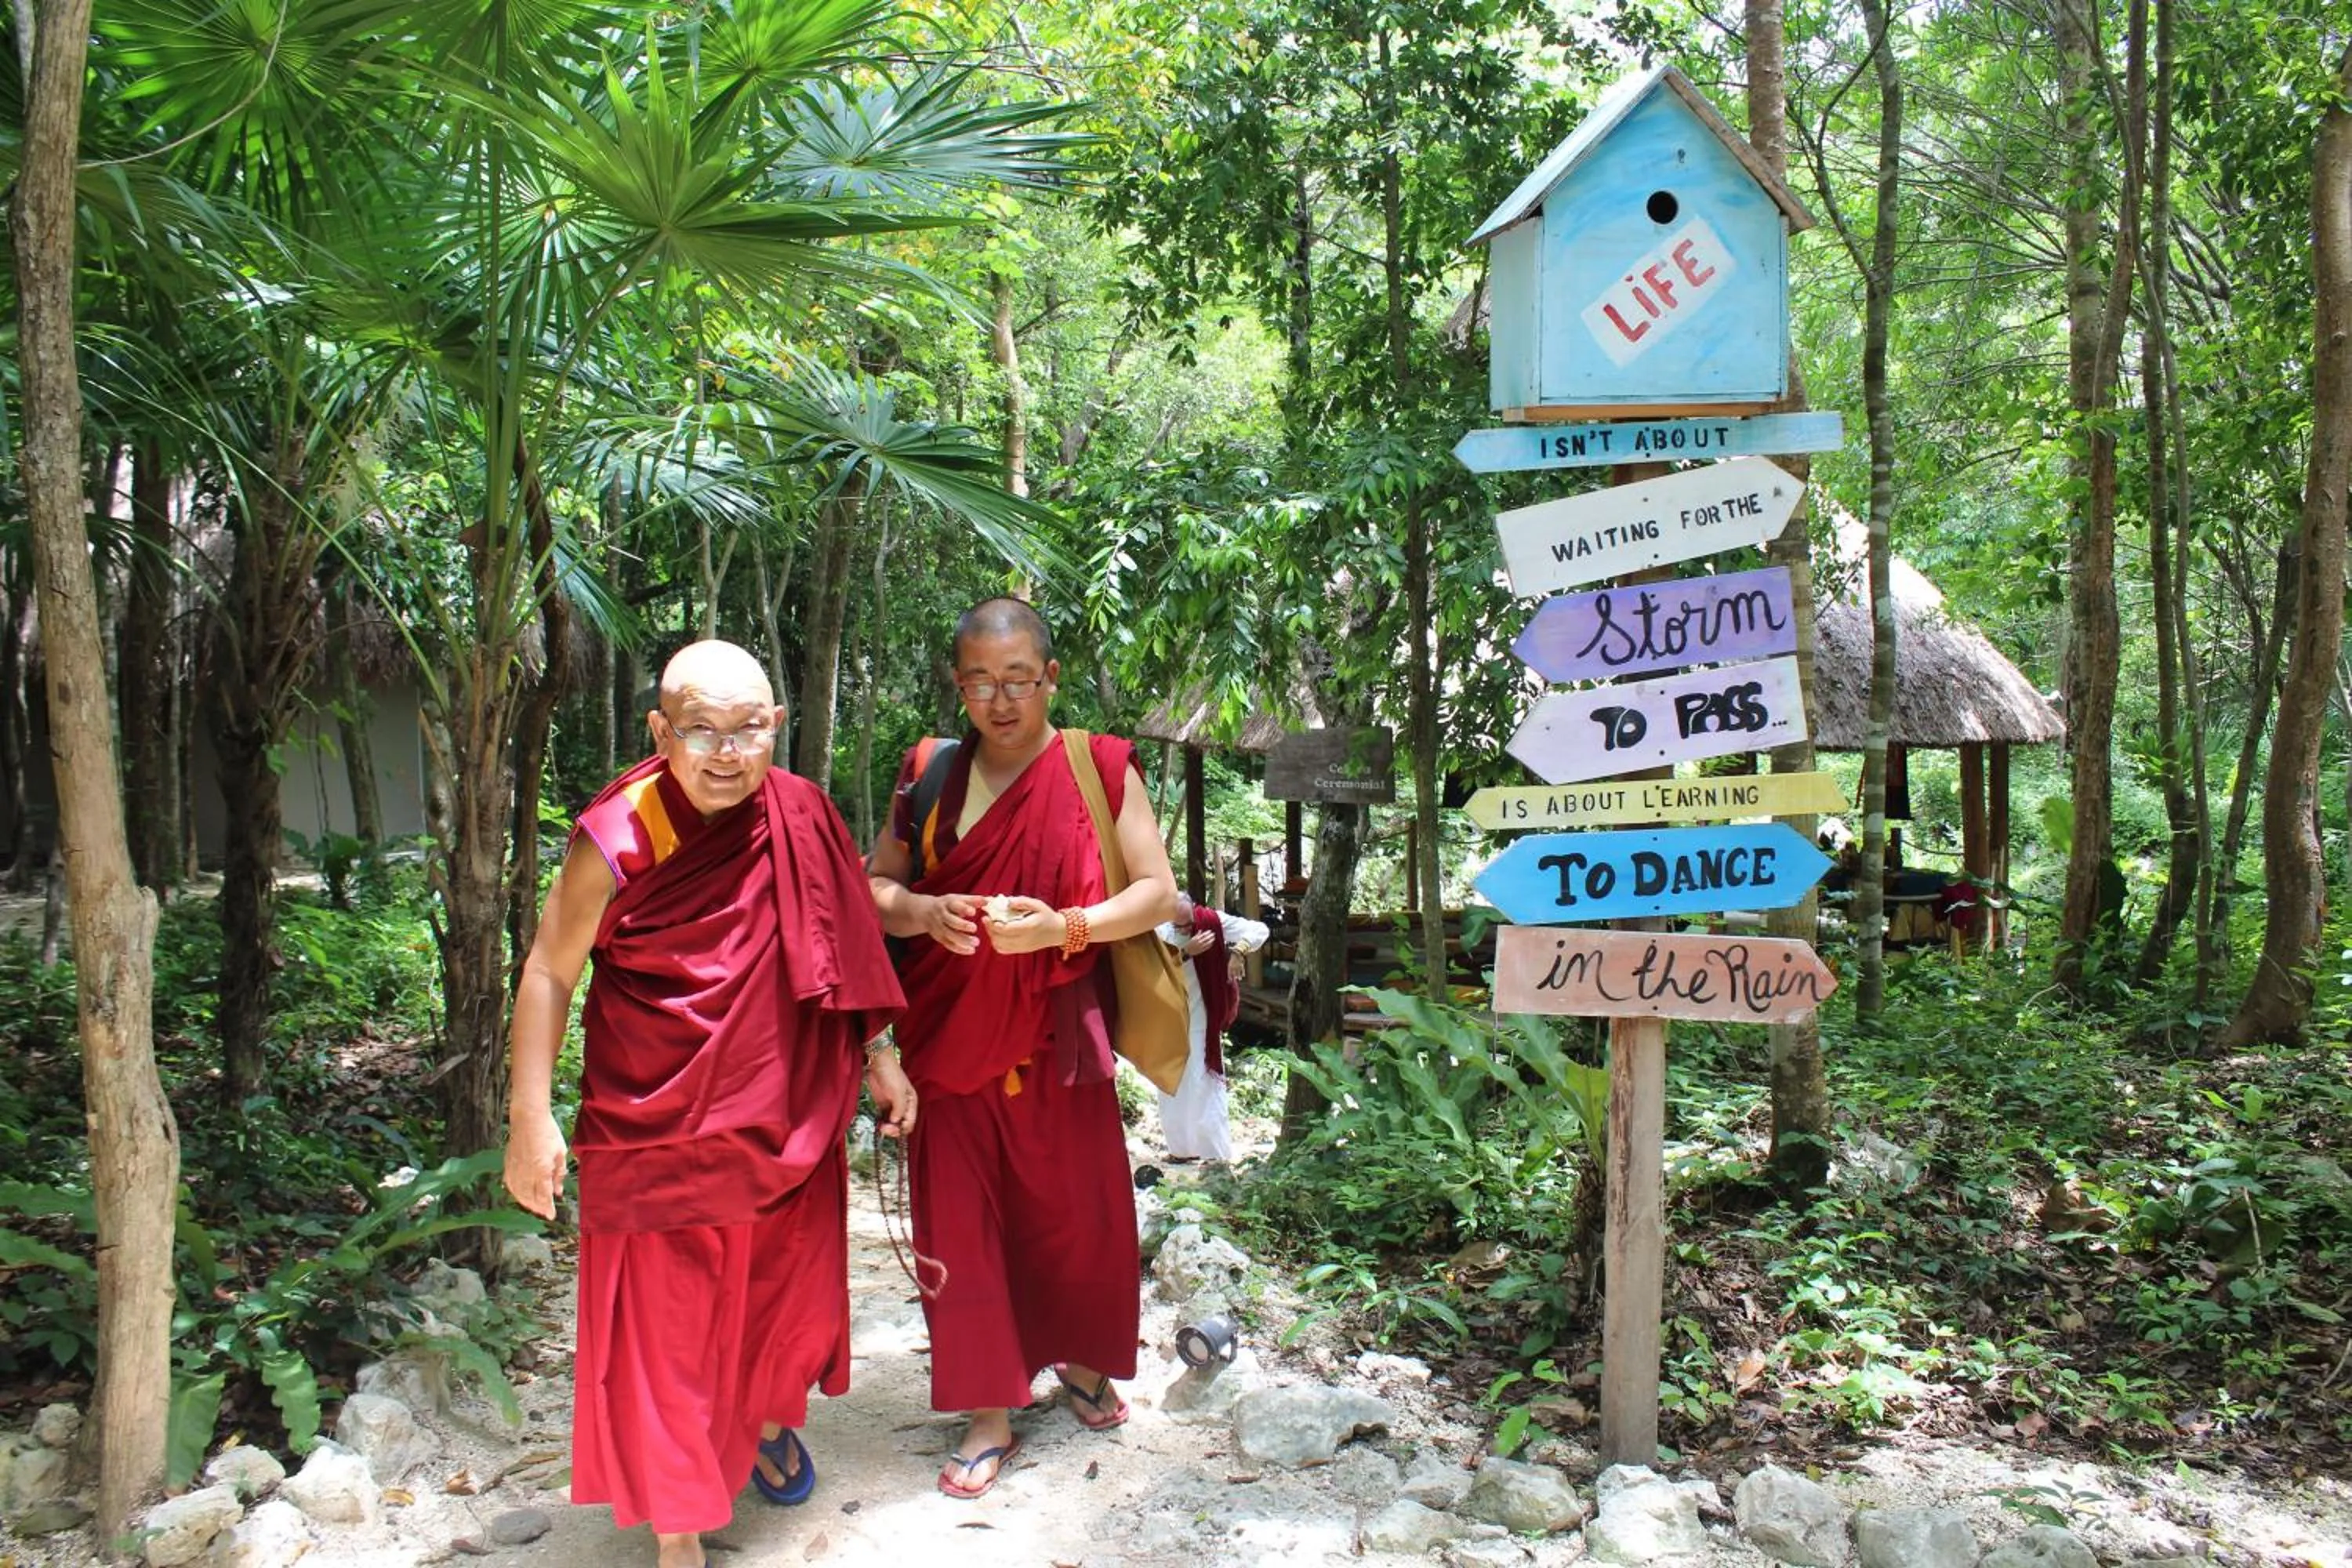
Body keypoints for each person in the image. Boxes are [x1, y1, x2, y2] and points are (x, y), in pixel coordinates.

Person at [503, 641, 913, 1568]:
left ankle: (759, 1419)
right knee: (668, 1330)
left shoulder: (799, 810)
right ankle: (680, 1531)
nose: (727, 753)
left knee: (781, 1300)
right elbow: (548, 970)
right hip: (660, 1121)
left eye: (749, 730)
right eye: (701, 730)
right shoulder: (619, 834)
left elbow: (840, 942)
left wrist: (881, 1054)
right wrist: (531, 1116)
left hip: (785, 1113)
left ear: (775, 725)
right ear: (660, 730)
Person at [865, 597, 1178, 1501]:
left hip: (1056, 1028)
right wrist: (923, 911)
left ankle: (1081, 1361)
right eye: (978, 683)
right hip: (948, 1029)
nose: (999, 701)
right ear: (957, 686)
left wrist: (1063, 928)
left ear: (1048, 677)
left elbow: (1154, 893)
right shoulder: (928, 771)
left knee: (1075, 1211)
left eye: (1016, 680)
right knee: (960, 1219)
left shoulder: (1098, 765)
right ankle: (988, 1406)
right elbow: (876, 885)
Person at [1153, 893, 1269, 1163]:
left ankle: (1214, 1154)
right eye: (1178, 926)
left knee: (1206, 1082)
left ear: (1194, 911)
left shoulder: (1211, 922)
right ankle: (1181, 1150)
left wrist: (1238, 952)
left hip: (1202, 1017)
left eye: (1187, 924)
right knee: (1172, 1084)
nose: (1183, 930)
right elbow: (1150, 969)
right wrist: (1185, 952)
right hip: (1168, 1019)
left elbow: (1259, 929)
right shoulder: (1161, 930)